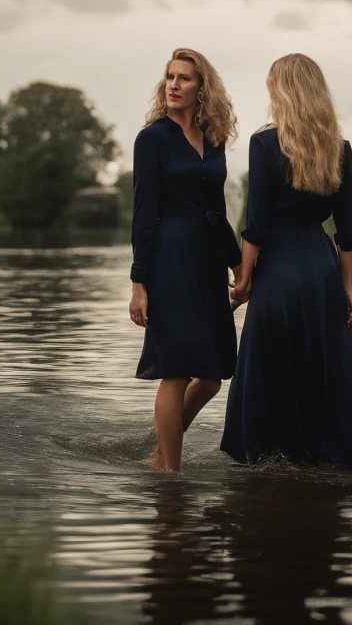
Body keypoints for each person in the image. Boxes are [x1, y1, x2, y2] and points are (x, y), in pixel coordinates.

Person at [221, 53, 352, 468]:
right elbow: (347, 233)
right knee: (323, 367)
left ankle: (268, 456)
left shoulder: (264, 144)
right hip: (322, 270)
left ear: (281, 91)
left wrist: (242, 280)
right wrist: (346, 290)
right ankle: (328, 453)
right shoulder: (339, 149)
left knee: (270, 366)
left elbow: (255, 226)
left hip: (277, 269)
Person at [129, 47, 242, 471]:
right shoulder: (152, 139)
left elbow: (219, 211)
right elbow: (143, 215)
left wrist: (237, 265)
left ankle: (162, 452)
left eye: (184, 78)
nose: (173, 85)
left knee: (211, 378)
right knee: (175, 370)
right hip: (168, 261)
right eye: (170, 77)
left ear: (202, 88)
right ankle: (171, 474)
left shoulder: (213, 141)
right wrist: (139, 283)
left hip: (207, 261)